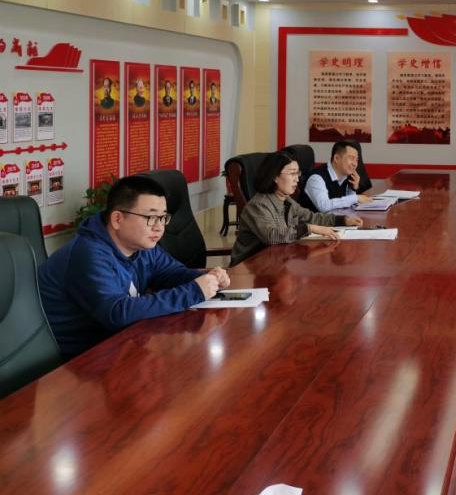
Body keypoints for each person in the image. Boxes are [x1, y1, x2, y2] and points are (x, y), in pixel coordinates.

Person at [37, 175, 230, 359]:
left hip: (119, 344)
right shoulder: (88, 253)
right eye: (151, 217)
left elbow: (171, 273)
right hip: (77, 359)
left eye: (163, 217)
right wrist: (194, 291)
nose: (159, 227)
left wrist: (208, 278)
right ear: (117, 219)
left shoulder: (141, 245)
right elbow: (116, 312)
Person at [231, 152, 363, 265]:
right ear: (275, 176)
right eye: (292, 173)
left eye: (297, 173)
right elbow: (271, 236)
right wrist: (309, 228)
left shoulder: (287, 201)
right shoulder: (258, 205)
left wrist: (342, 220)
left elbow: (311, 217)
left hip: (276, 260)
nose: (297, 179)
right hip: (250, 267)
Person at [304, 140, 372, 211]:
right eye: (351, 158)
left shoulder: (347, 176)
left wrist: (353, 189)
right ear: (336, 158)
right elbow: (324, 206)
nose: (355, 164)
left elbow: (349, 206)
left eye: (357, 160)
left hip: (338, 217)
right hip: (316, 218)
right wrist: (356, 198)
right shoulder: (316, 178)